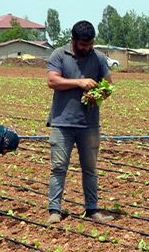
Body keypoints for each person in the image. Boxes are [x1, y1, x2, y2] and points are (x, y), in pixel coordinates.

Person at [45, 20, 114, 224]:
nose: (87, 48)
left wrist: (98, 93)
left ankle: (92, 210)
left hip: (89, 124)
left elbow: (108, 85)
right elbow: (52, 81)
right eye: (83, 44)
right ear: (73, 40)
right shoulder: (59, 54)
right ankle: (54, 210)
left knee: (90, 169)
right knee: (58, 167)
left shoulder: (99, 58)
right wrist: (79, 82)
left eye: (90, 44)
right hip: (62, 123)